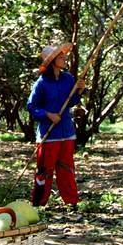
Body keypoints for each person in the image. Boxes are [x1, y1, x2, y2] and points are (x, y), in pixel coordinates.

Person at [27, 43, 85, 207]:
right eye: (60, 57)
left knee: (66, 168)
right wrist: (47, 115)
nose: (65, 59)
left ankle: (71, 202)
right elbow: (31, 106)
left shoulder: (68, 78)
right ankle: (39, 204)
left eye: (64, 56)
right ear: (52, 61)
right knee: (44, 171)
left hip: (66, 131)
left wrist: (79, 91)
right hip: (48, 134)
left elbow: (71, 102)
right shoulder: (42, 83)